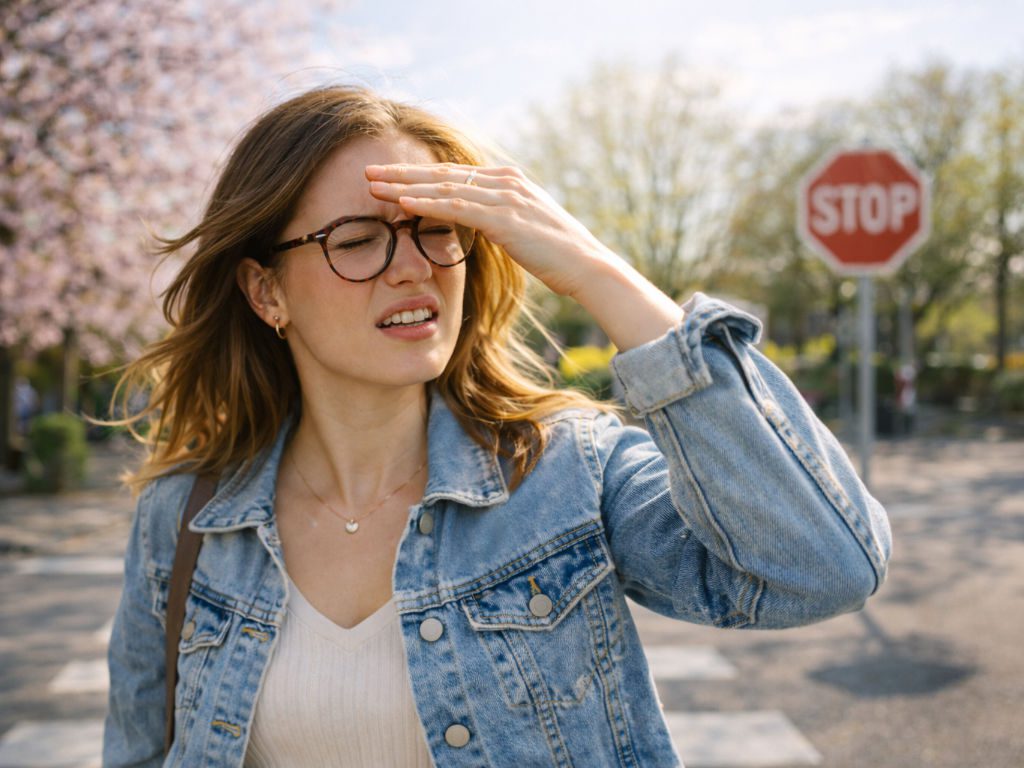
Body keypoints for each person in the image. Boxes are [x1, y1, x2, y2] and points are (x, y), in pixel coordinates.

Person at [102, 85, 892, 768]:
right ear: (266, 293)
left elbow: (823, 568)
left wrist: (596, 270)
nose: (413, 266)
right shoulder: (184, 519)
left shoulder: (566, 474)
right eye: (357, 241)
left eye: (437, 227)